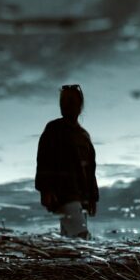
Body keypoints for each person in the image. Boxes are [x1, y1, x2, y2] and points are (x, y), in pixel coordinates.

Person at [34, 84, 99, 239]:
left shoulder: (83, 135)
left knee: (70, 239)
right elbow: (44, 158)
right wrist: (46, 189)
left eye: (71, 101)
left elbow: (90, 169)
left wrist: (92, 197)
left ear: (80, 105)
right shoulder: (54, 129)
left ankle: (65, 262)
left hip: (81, 194)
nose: (66, 105)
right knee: (81, 235)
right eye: (63, 102)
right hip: (63, 193)